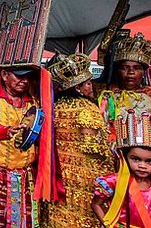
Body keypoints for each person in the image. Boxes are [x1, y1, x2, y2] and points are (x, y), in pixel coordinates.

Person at [42, 53, 113, 227]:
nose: (91, 87)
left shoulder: (53, 107)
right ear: (78, 88)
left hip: (57, 175)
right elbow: (95, 147)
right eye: (88, 83)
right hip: (84, 178)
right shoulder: (87, 108)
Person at [0, 67, 41, 227]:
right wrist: (5, 131)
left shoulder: (32, 101)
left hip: (25, 175)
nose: (24, 81)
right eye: (19, 76)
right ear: (4, 75)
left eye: (27, 77)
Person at [91, 111, 151, 227]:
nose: (142, 165)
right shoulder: (114, 181)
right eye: (136, 159)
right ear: (125, 158)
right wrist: (109, 225)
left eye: (149, 161)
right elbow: (96, 204)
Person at [98, 33, 151, 145]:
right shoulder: (104, 95)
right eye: (125, 68)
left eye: (137, 68)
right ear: (117, 71)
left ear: (144, 72)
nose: (131, 72)